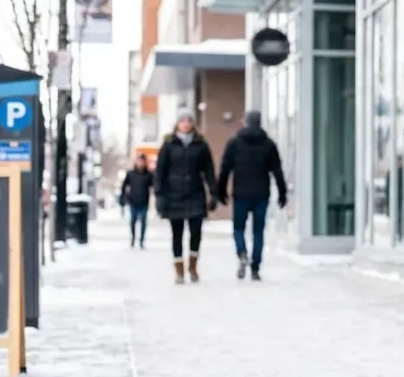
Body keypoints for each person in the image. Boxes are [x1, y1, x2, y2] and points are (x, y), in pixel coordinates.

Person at [216, 110, 287, 281]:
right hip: (261, 194)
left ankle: (242, 253)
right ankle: (255, 267)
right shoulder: (268, 144)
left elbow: (225, 168)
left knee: (239, 228)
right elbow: (277, 170)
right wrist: (282, 192)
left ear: (245, 122)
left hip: (241, 193)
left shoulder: (234, 143)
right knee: (258, 231)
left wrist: (221, 191)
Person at [155, 111, 218, 285]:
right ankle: (179, 271)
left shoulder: (201, 145)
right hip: (173, 194)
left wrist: (213, 193)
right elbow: (160, 171)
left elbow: (209, 170)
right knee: (177, 234)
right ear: (177, 124)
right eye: (182, 121)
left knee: (196, 232)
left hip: (195, 193)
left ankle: (193, 266)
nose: (185, 124)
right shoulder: (168, 145)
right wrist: (159, 195)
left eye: (189, 121)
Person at [119, 154, 155, 248]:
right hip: (133, 201)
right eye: (138, 161)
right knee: (133, 221)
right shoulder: (131, 174)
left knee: (143, 221)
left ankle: (142, 240)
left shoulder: (148, 174)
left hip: (144, 201)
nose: (140, 163)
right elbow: (124, 186)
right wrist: (124, 197)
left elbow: (155, 185)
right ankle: (133, 238)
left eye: (142, 161)